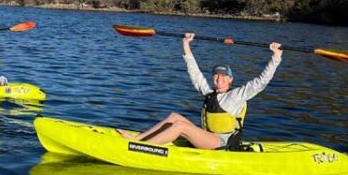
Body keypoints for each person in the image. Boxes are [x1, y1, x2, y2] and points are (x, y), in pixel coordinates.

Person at [118, 32, 283, 150]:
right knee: (175, 116)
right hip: (208, 136)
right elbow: (195, 73)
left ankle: (142, 148)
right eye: (217, 76)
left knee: (181, 126)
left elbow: (260, 82)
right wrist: (186, 45)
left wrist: (275, 58)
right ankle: (137, 139)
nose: (220, 79)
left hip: (222, 143)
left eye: (224, 76)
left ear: (231, 79)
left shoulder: (237, 96)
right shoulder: (209, 92)